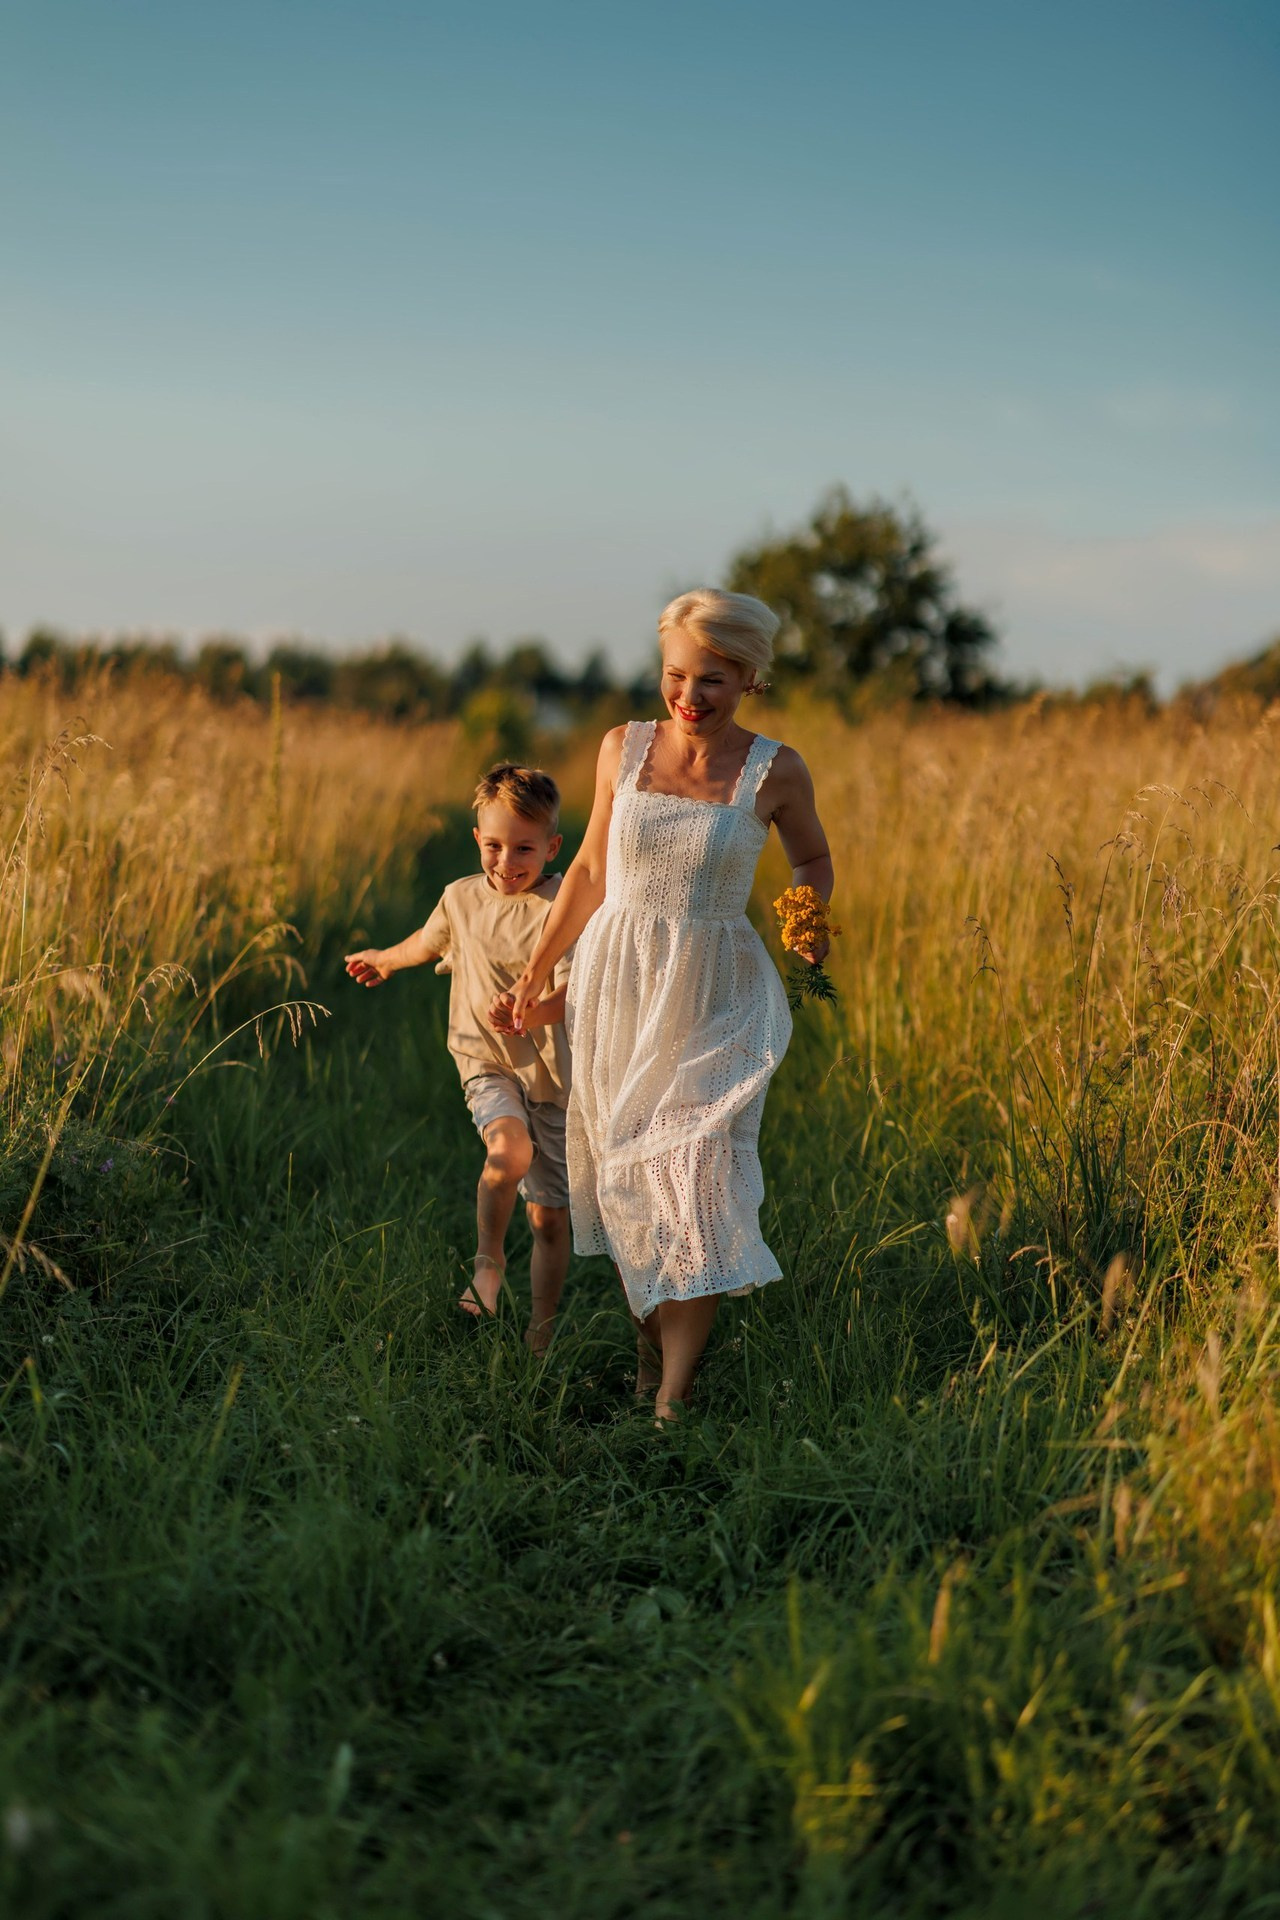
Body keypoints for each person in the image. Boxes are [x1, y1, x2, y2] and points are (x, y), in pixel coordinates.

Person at [503, 589, 833, 1420]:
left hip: (713, 989)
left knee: (694, 1180)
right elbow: (585, 872)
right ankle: (649, 1357)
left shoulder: (777, 770)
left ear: (749, 677)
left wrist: (807, 919)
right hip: (619, 986)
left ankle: (672, 1399)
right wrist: (539, 970)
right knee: (626, 1181)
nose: (690, 697)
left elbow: (812, 858)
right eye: (677, 676)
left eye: (712, 680)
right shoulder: (623, 747)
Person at [345, 765, 572, 1353]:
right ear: (477, 840)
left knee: (550, 1220)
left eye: (524, 848)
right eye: (494, 846)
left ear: (552, 846)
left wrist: (529, 1013)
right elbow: (428, 941)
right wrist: (387, 960)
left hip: (552, 1075)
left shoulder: (566, 905)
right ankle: (488, 1259)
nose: (506, 861)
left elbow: (575, 996)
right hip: (484, 1059)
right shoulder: (460, 897)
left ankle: (540, 1328)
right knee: (509, 1150)